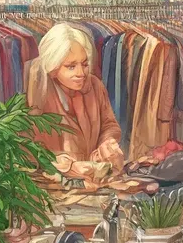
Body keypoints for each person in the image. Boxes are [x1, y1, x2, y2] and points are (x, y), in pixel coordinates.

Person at [26, 23, 124, 172]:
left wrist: (107, 143)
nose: (81, 73)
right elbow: (27, 150)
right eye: (71, 66)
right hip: (53, 185)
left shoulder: (95, 86)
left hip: (93, 179)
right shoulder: (37, 93)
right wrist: (65, 165)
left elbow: (109, 124)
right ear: (53, 66)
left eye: (84, 64)